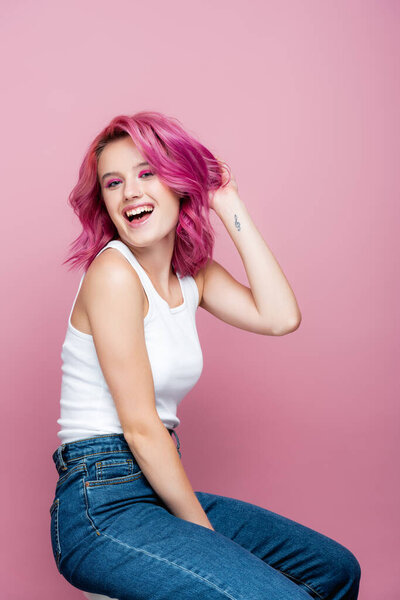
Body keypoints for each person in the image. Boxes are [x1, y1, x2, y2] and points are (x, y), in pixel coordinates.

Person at [49, 110, 361, 600]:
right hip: (101, 505)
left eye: (147, 173)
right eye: (114, 183)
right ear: (105, 203)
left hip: (155, 490)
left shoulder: (193, 276)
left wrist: (227, 202)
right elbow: (141, 426)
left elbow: (280, 317)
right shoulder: (113, 274)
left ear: (179, 184)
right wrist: (205, 536)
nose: (130, 191)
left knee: (335, 570)